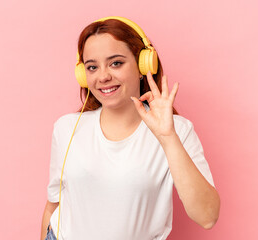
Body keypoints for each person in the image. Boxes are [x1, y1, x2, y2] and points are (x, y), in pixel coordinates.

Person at [41, 16, 220, 240]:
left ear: (143, 65)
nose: (103, 76)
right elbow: (53, 205)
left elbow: (207, 216)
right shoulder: (66, 128)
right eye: (92, 67)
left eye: (116, 63)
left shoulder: (178, 131)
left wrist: (168, 138)